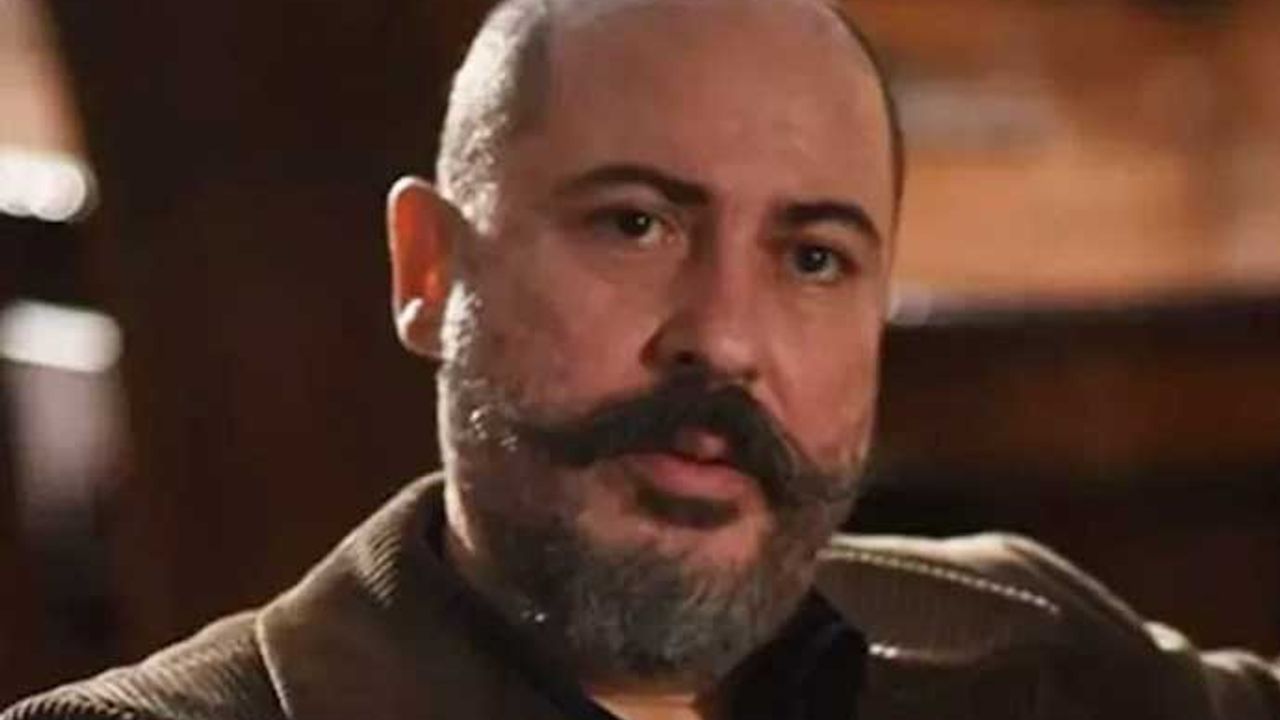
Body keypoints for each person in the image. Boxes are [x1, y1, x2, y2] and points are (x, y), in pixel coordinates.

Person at [6, 0, 1279, 718]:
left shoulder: (1021, 651)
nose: (721, 336)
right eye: (634, 225)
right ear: (427, 270)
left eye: (814, 258)